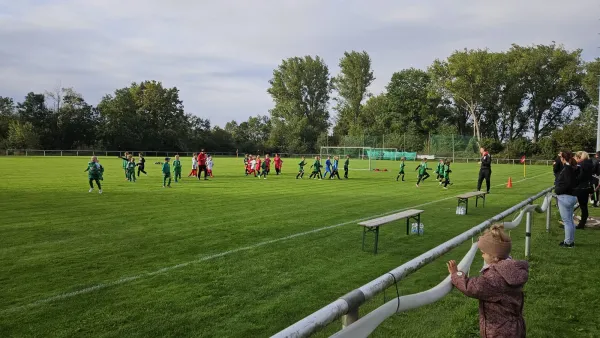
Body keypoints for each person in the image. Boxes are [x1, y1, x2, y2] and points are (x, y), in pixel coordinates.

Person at [447, 224, 528, 338]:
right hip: (516, 327)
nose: (482, 256)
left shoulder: (495, 278)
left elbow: (472, 287)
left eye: (483, 253)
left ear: (494, 256)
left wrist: (456, 274)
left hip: (499, 331)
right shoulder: (511, 269)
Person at [555, 151, 578, 248]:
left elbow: (567, 184)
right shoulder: (572, 168)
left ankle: (568, 242)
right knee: (570, 221)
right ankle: (570, 241)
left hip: (565, 197)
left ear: (563, 159)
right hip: (571, 196)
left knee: (567, 221)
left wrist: (558, 190)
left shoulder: (567, 169)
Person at [573, 151, 593, 229]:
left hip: (580, 187)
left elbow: (579, 177)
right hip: (587, 187)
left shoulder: (581, 165)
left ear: (579, 157)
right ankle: (582, 223)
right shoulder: (590, 164)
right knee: (584, 206)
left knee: (580, 205)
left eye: (576, 158)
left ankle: (580, 224)